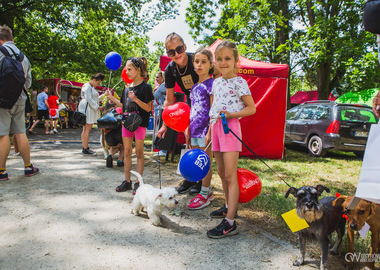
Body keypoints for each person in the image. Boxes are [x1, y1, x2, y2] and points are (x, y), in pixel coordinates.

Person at [206, 40, 256, 239]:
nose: (223, 62)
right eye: (219, 59)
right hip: (216, 127)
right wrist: (210, 131)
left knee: (230, 175)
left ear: (235, 60)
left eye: (227, 58)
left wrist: (232, 115)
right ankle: (228, 207)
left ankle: (230, 222)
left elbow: (251, 108)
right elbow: (214, 109)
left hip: (230, 128)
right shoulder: (216, 82)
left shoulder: (240, 82)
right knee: (220, 171)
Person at [156, 32, 202, 194]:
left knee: (198, 141)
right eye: (171, 52)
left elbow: (215, 72)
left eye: (179, 49)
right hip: (190, 101)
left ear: (185, 47)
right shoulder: (169, 70)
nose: (176, 54)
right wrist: (164, 125)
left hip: (204, 101)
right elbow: (169, 100)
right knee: (189, 138)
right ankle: (190, 178)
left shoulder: (196, 60)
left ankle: (201, 181)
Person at [106, 57, 154, 194]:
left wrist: (136, 99)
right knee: (127, 151)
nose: (126, 72)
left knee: (139, 153)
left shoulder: (146, 87)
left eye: (129, 69)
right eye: (126, 69)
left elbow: (148, 108)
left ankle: (139, 182)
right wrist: (112, 98)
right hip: (126, 123)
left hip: (140, 124)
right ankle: (127, 181)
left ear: (138, 70)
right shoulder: (127, 88)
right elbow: (124, 106)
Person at [0, 24, 39, 180]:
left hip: (3, 100)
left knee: (3, 135)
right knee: (20, 132)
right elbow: (28, 83)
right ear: (11, 39)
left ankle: (2, 171)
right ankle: (28, 167)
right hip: (20, 98)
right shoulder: (23, 57)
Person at [187, 48, 215, 210]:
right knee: (198, 161)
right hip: (195, 129)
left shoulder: (211, 84)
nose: (199, 65)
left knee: (205, 162)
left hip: (206, 130)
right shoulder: (194, 87)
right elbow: (192, 109)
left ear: (211, 65)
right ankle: (204, 191)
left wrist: (210, 131)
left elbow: (213, 109)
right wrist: (188, 128)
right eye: (197, 61)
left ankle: (205, 193)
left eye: (203, 62)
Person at [79, 73, 105, 155]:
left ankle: (85, 147)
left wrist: (105, 95)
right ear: (94, 80)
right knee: (87, 128)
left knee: (86, 128)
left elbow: (95, 98)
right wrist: (97, 107)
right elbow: (89, 98)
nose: (98, 85)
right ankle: (85, 148)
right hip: (87, 109)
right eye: (97, 83)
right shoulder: (87, 87)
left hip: (89, 108)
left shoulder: (90, 87)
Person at [153, 71, 167, 157]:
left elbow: (154, 95)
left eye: (158, 77)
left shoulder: (163, 86)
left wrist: (156, 90)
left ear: (162, 78)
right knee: (159, 129)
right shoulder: (160, 86)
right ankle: (161, 148)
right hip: (159, 110)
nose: (156, 79)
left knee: (162, 130)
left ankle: (163, 149)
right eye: (156, 77)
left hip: (162, 110)